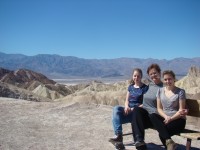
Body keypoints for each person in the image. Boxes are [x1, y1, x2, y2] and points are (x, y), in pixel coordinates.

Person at [109, 68, 148, 148]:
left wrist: (133, 109)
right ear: (132, 76)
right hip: (128, 111)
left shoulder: (145, 88)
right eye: (135, 76)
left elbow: (145, 103)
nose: (136, 78)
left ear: (141, 77)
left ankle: (119, 139)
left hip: (136, 114)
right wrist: (126, 107)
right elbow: (127, 100)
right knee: (116, 109)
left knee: (115, 118)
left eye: (138, 76)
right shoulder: (130, 87)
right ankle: (119, 135)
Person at [149, 70, 187, 150]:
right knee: (152, 115)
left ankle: (170, 144)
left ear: (174, 79)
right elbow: (159, 108)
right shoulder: (160, 91)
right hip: (165, 118)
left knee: (162, 133)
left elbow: (181, 110)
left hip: (178, 119)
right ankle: (170, 142)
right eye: (165, 79)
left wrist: (171, 119)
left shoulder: (180, 92)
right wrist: (166, 117)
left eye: (169, 79)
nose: (167, 81)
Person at [131, 63, 163, 150]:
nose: (153, 75)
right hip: (148, 115)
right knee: (137, 109)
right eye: (151, 74)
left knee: (136, 118)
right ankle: (139, 141)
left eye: (155, 73)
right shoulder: (150, 85)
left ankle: (139, 141)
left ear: (159, 73)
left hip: (156, 117)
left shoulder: (164, 87)